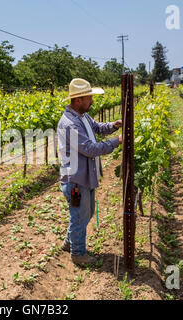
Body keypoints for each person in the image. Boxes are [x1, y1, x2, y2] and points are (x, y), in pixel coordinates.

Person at [57, 78, 123, 266]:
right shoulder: (70, 124)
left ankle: (70, 242)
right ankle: (78, 253)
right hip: (75, 180)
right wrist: (116, 141)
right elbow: (90, 149)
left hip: (84, 176)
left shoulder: (82, 117)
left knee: (85, 213)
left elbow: (96, 127)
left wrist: (113, 125)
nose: (92, 102)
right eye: (89, 98)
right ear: (78, 100)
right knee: (80, 214)